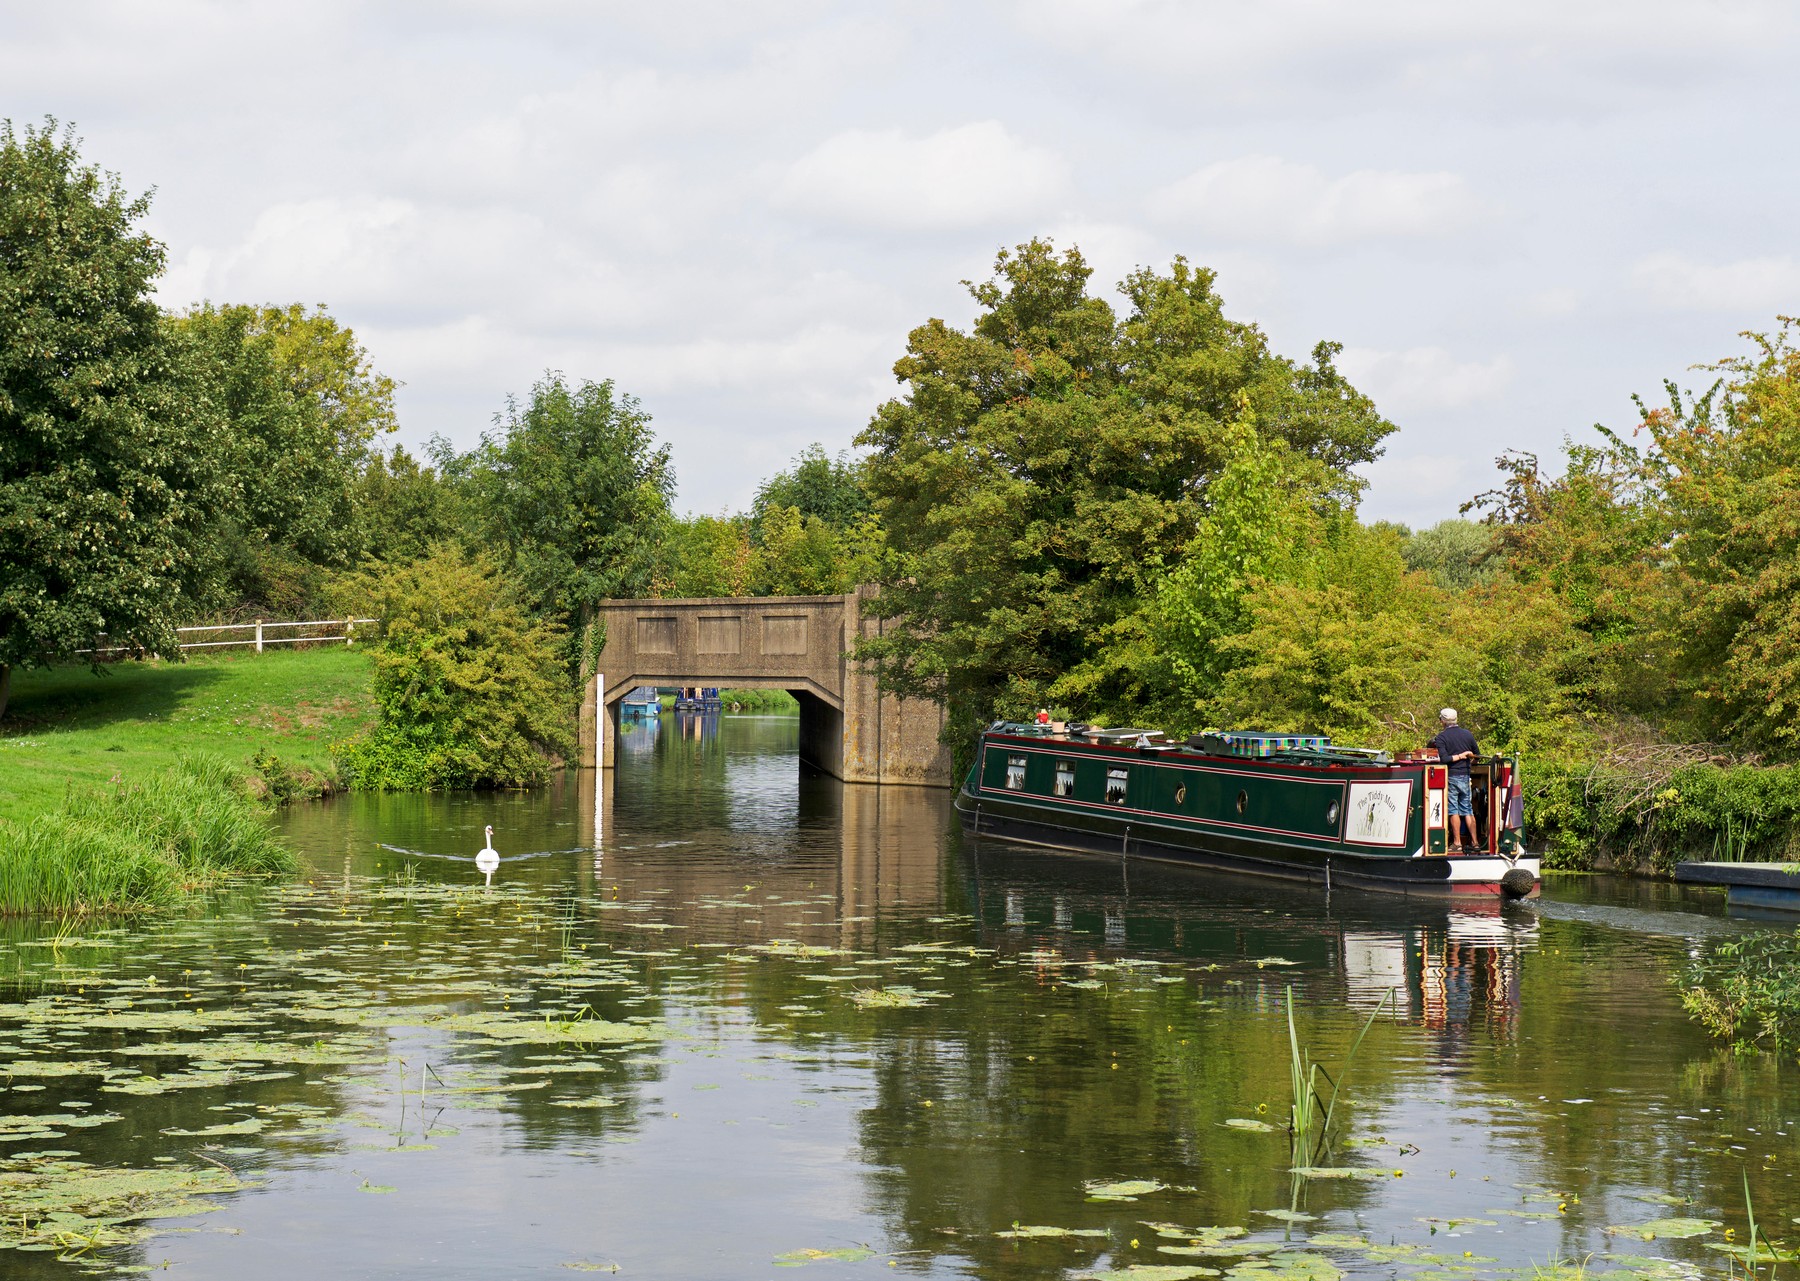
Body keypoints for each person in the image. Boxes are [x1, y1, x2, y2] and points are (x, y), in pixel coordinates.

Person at [1428, 708, 1481, 853]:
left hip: (1451, 776)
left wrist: (1460, 756)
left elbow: (1445, 759)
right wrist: (1468, 759)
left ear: (1443, 721)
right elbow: (1477, 756)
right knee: (1468, 809)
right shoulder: (1467, 734)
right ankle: (1475, 843)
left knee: (1454, 810)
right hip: (1465, 776)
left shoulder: (1441, 737)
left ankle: (1457, 843)